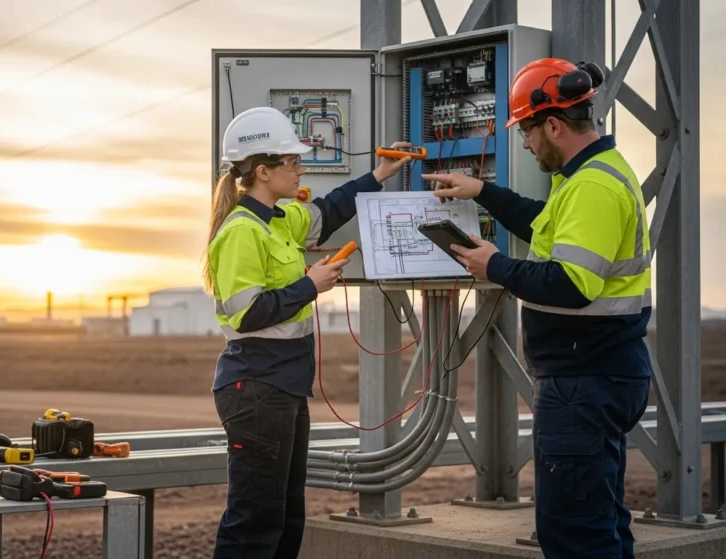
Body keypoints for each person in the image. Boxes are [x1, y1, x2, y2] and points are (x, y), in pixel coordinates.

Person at [421, 58, 652, 559]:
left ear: (552, 124)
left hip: (583, 380)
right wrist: (483, 192)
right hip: (599, 374)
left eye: (526, 130)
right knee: (602, 522)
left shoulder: (590, 187)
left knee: (574, 535)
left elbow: (572, 284)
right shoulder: (589, 175)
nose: (523, 142)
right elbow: (545, 225)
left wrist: (495, 266)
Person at [203, 106, 410, 558]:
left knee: (285, 516)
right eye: (291, 162)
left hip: (281, 385)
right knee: (254, 520)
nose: (300, 169)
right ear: (262, 171)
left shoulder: (278, 218)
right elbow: (247, 314)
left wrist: (379, 173)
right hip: (255, 386)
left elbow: (330, 210)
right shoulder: (241, 231)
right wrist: (309, 285)